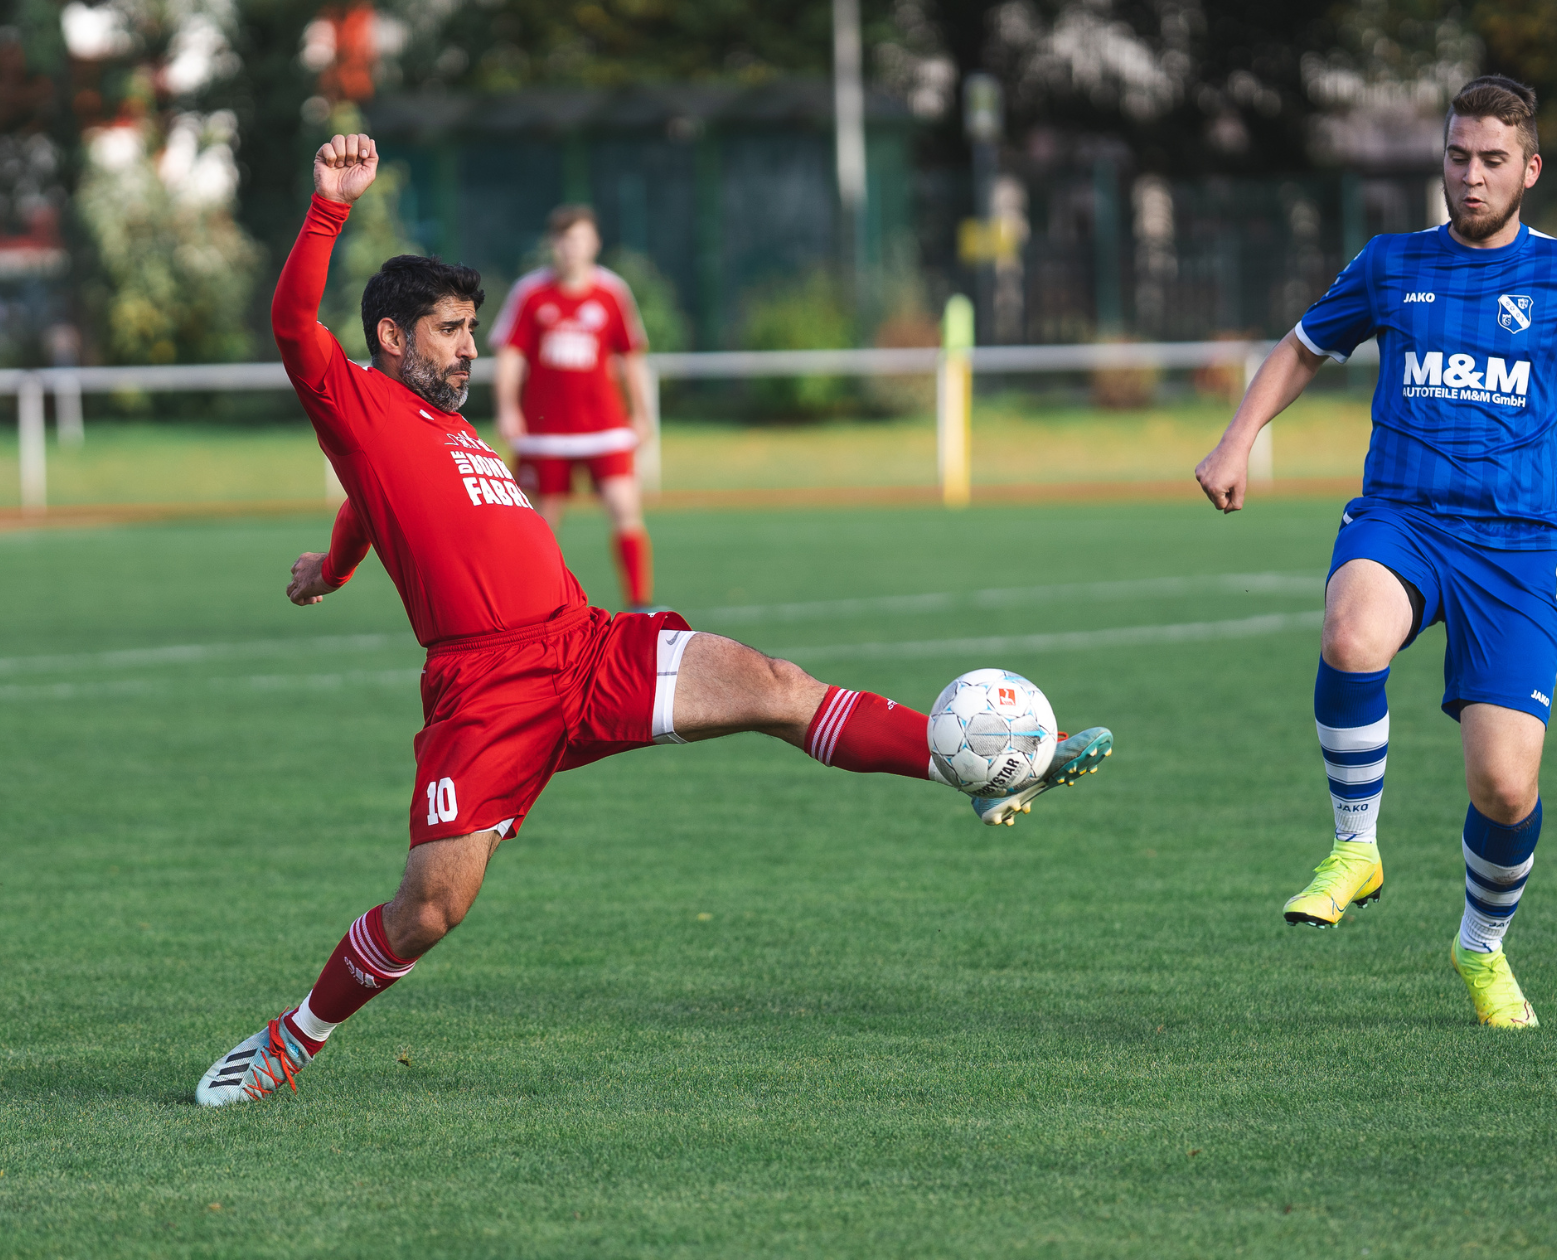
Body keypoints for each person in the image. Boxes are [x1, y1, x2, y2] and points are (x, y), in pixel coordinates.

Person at [196, 134, 1114, 1106]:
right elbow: (293, 322)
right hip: (489, 689)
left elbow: (365, 509)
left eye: (472, 328)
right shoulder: (355, 401)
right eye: (451, 330)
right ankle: (291, 1040)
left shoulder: (448, 422)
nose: (474, 347)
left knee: (775, 685)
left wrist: (330, 567)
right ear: (391, 337)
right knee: (428, 910)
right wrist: (330, 204)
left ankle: (969, 765)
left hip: (589, 646)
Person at [1193, 77, 1557, 1029]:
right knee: (1350, 628)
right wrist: (1235, 438)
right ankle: (1355, 847)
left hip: (1518, 550)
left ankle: (1482, 947)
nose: (1471, 175)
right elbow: (1300, 348)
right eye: (1458, 156)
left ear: (1529, 170)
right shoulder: (1390, 263)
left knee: (1504, 784)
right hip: (1402, 519)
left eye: (1493, 160)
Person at [493, 207, 657, 609]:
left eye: (581, 239)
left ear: (595, 243)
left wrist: (642, 413)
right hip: (546, 432)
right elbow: (511, 356)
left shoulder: (612, 292)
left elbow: (631, 356)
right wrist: (507, 408)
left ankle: (640, 603)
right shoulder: (530, 293)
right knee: (539, 524)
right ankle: (528, 605)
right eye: (565, 240)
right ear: (554, 244)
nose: (572, 249)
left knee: (625, 510)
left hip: (605, 427)